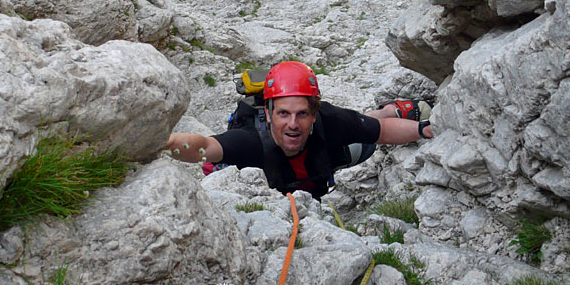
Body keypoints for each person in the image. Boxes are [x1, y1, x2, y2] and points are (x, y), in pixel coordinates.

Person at [165, 61, 433, 200]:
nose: (292, 123)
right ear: (268, 114)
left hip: (328, 157)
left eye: (302, 114)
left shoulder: (328, 120)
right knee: (358, 130)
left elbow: (383, 132)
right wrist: (162, 143)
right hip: (294, 181)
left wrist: (426, 130)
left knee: (365, 138)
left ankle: (394, 108)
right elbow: (205, 147)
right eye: (283, 114)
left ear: (314, 115)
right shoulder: (250, 143)